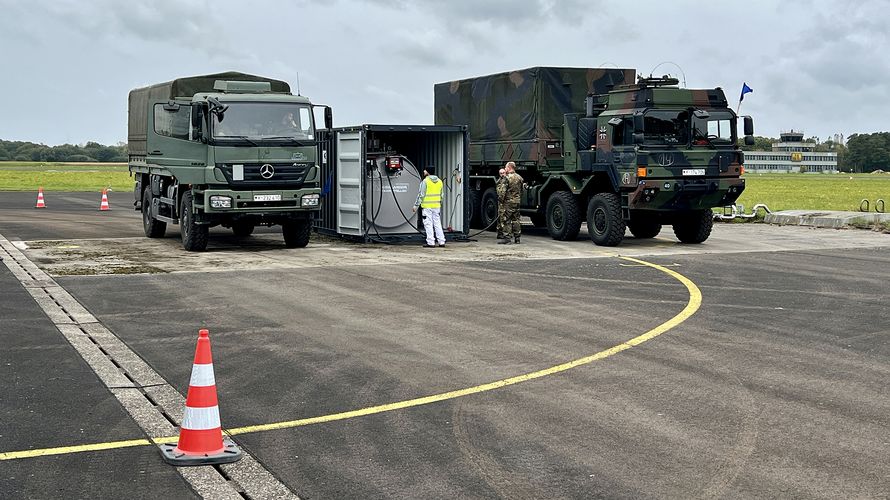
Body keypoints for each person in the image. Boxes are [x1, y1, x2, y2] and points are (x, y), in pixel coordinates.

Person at [412, 165, 446, 248]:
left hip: (427, 207)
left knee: (428, 224)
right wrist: (439, 203)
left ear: (427, 172)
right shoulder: (440, 181)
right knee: (437, 224)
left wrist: (416, 206)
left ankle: (431, 242)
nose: (423, 171)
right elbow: (442, 195)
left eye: (425, 170)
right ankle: (441, 241)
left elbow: (421, 195)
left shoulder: (425, 182)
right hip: (436, 206)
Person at [499, 162, 524, 244]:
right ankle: (517, 239)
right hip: (517, 201)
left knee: (507, 220)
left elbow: (502, 192)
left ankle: (507, 239)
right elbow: (521, 191)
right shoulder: (519, 177)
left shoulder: (506, 178)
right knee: (516, 220)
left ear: (509, 168)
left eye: (506, 167)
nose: (505, 169)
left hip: (508, 202)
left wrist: (501, 200)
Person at [495, 168, 508, 239]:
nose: (502, 174)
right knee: (501, 218)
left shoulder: (506, 180)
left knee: (503, 217)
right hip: (501, 202)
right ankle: (501, 233)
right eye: (501, 173)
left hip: (504, 202)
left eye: (503, 173)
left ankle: (502, 233)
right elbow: (501, 193)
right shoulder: (499, 181)